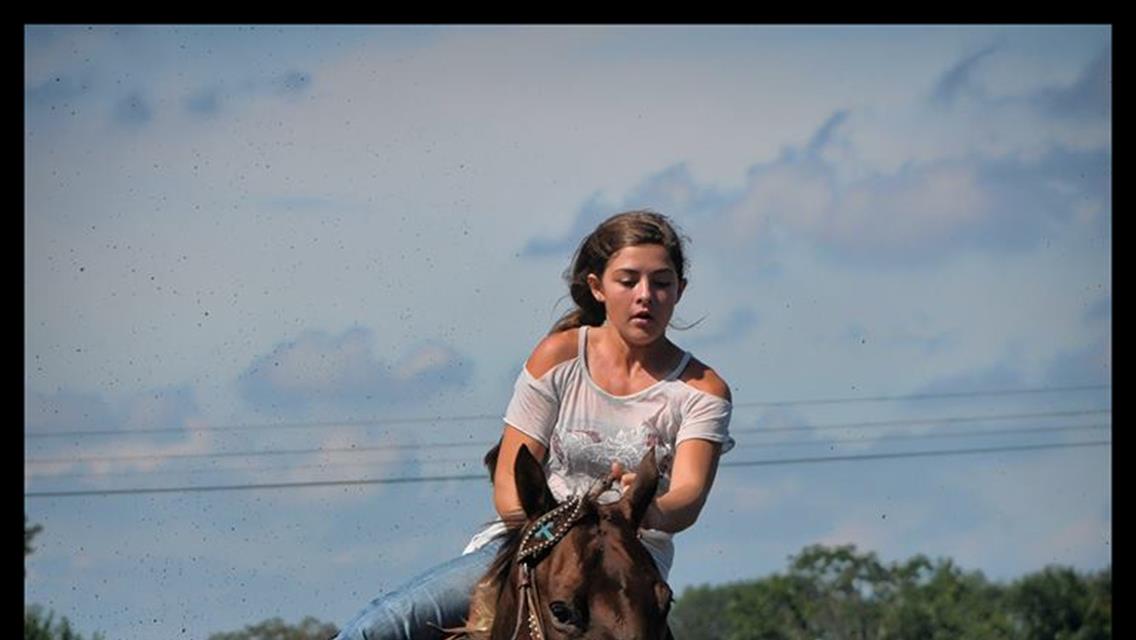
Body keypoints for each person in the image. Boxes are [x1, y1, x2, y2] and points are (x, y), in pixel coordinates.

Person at [334, 210, 734, 639]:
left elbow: (688, 497)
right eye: (628, 280)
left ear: (680, 291)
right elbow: (509, 486)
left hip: (630, 562)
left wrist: (644, 506)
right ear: (598, 287)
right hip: (538, 542)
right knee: (385, 624)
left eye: (661, 282)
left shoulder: (703, 390)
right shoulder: (557, 358)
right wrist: (557, 526)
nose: (645, 295)